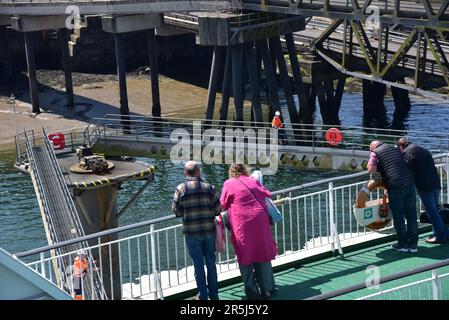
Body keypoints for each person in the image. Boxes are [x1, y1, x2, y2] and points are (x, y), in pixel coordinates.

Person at [220, 164, 277, 299]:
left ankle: (252, 292)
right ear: (245, 170)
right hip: (260, 221)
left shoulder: (229, 183)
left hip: (243, 223)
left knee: (245, 255)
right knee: (261, 253)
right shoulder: (253, 180)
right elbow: (267, 194)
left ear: (231, 172)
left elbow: (222, 204)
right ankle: (267, 289)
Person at [172, 161, 221, 300]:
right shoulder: (210, 188)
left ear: (185, 173)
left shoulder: (180, 189)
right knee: (211, 264)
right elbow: (218, 210)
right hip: (209, 232)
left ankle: (203, 296)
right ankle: (215, 295)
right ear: (198, 171)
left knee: (198, 266)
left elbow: (176, 211)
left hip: (191, 234)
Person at [368, 140, 418, 253]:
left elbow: (371, 169)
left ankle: (403, 245)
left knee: (398, 216)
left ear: (373, 148)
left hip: (396, 186)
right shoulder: (394, 148)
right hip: (409, 183)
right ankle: (413, 245)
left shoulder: (374, 152)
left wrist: (378, 171)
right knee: (411, 214)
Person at [397, 137, 449, 244]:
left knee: (431, 211)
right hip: (435, 182)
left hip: (425, 186)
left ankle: (440, 236)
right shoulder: (422, 149)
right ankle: (442, 233)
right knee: (436, 209)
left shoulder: (407, 152)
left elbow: (407, 169)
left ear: (401, 146)